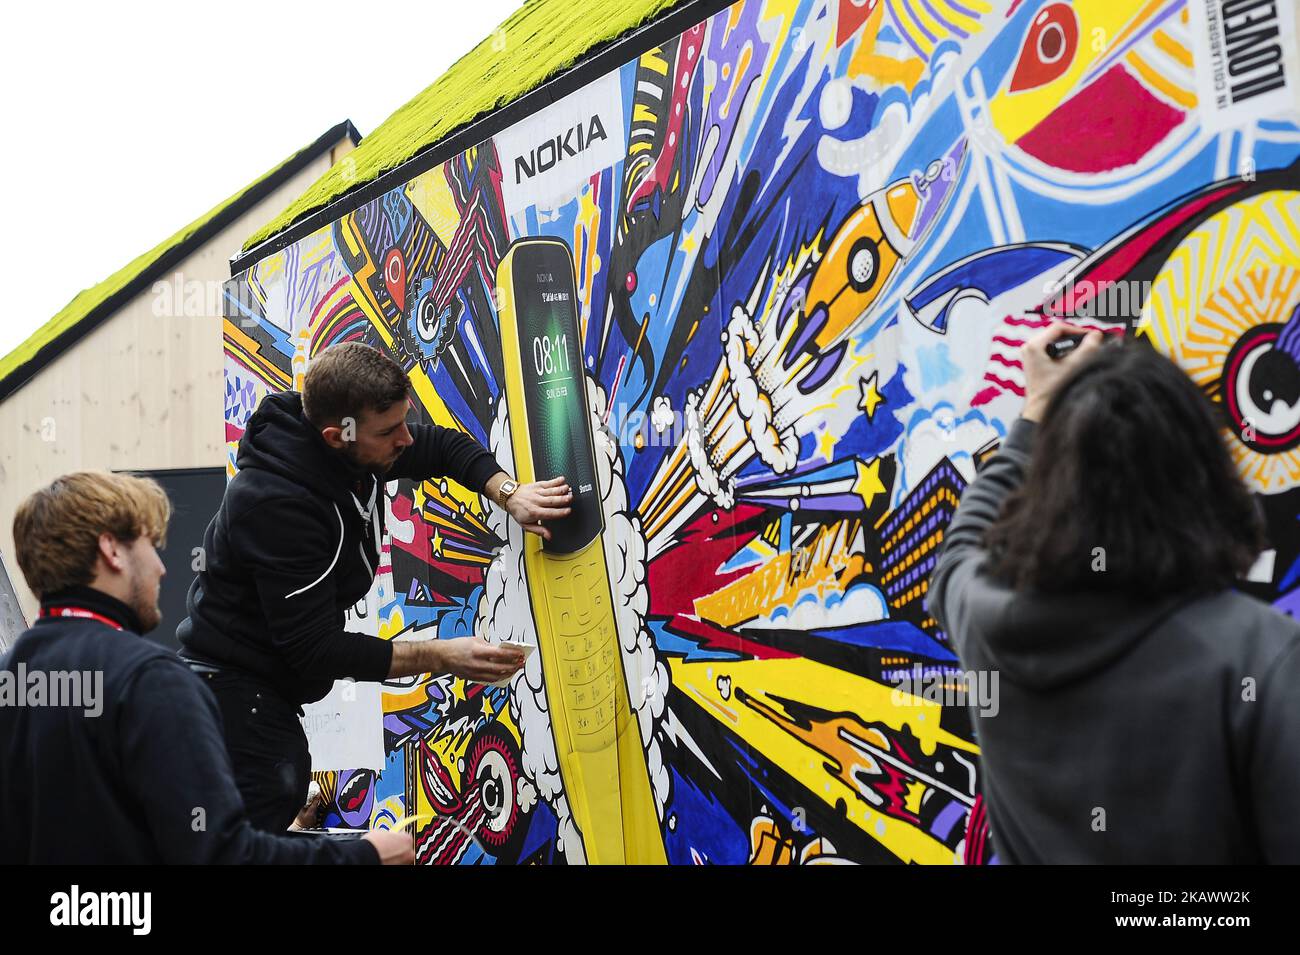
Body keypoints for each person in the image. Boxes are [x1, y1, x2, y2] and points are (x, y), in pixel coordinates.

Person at [927, 324, 1300, 864]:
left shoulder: (990, 624)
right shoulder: (1257, 655)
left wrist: (1039, 409)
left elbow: (959, 550)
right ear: (1203, 475)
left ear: (1050, 489)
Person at [178, 342, 572, 831]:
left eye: (404, 422)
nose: (405, 439)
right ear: (336, 435)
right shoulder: (276, 506)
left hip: (264, 686)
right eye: (389, 431)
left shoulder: (363, 447)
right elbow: (316, 650)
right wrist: (442, 657)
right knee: (267, 801)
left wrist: (510, 493)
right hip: (231, 689)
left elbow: (441, 447)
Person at [0, 470, 413, 864]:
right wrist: (365, 854)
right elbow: (220, 854)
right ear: (111, 550)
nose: (162, 568)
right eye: (150, 544)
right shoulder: (151, 682)